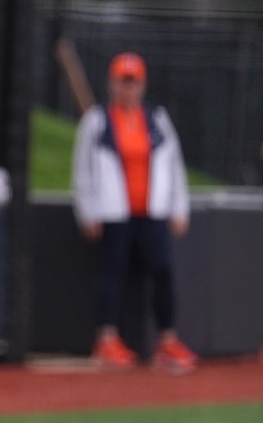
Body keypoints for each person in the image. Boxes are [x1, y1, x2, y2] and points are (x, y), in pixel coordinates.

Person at [73, 51, 197, 373]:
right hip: (114, 210)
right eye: (122, 82)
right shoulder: (97, 121)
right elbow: (82, 169)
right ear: (112, 84)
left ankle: (167, 341)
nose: (127, 89)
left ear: (142, 86)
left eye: (133, 83)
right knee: (112, 273)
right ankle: (106, 339)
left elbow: (175, 165)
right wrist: (87, 211)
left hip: (151, 209)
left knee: (163, 270)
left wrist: (178, 207)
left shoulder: (157, 118)